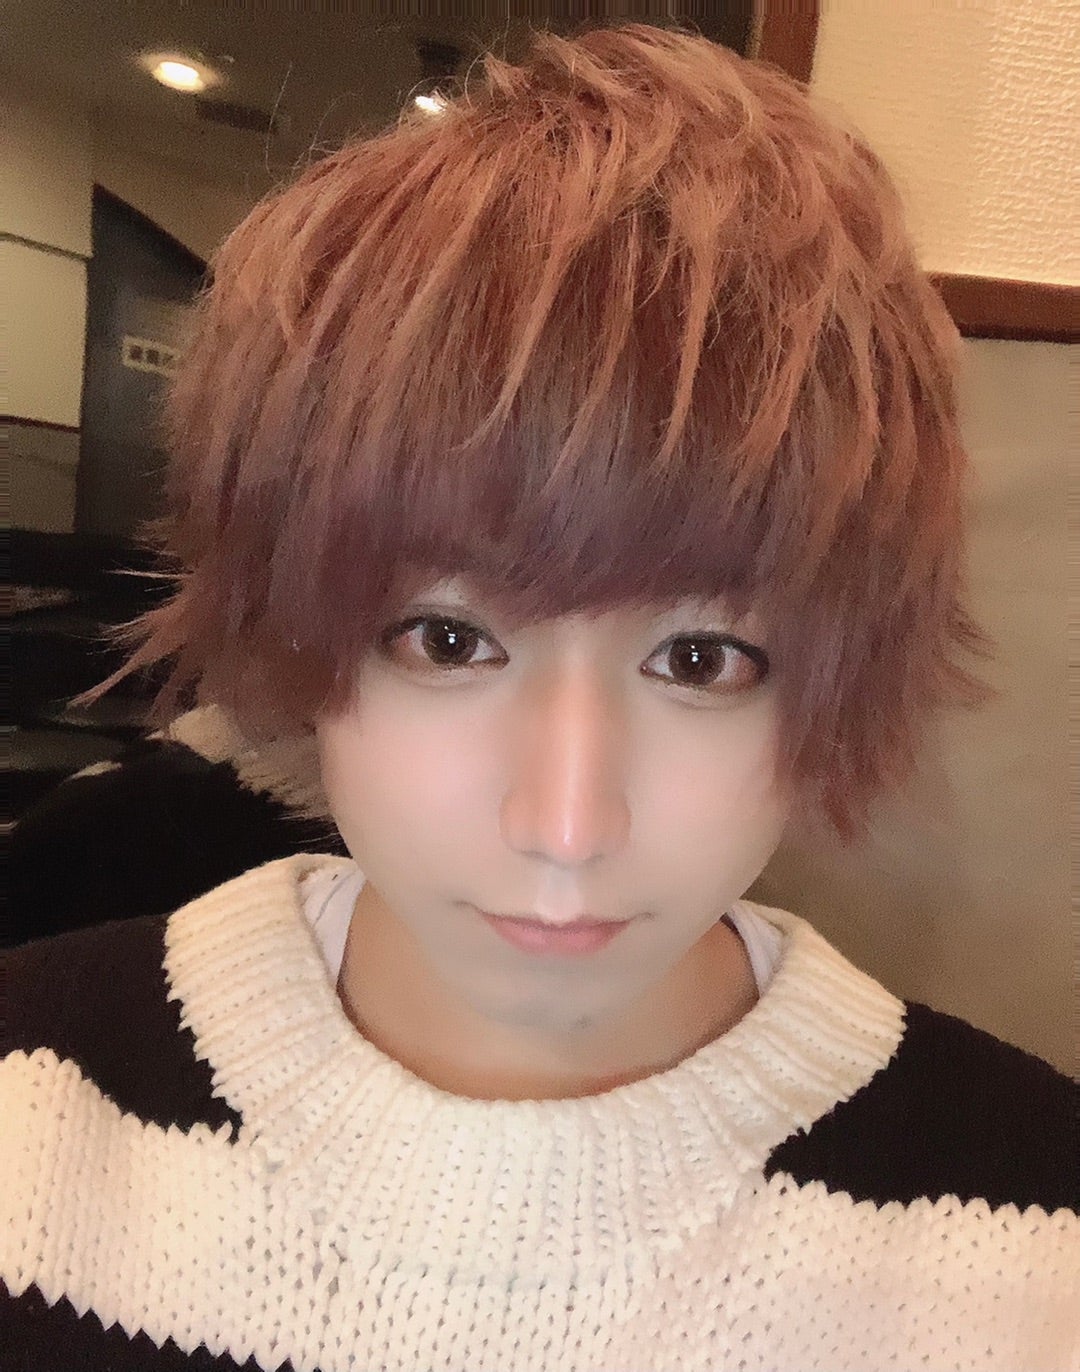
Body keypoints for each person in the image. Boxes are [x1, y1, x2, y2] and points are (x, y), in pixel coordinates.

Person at [2, 23, 1076, 1372]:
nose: (566, 826)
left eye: (701, 661)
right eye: (448, 641)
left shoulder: (1038, 1241)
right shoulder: (31, 1106)